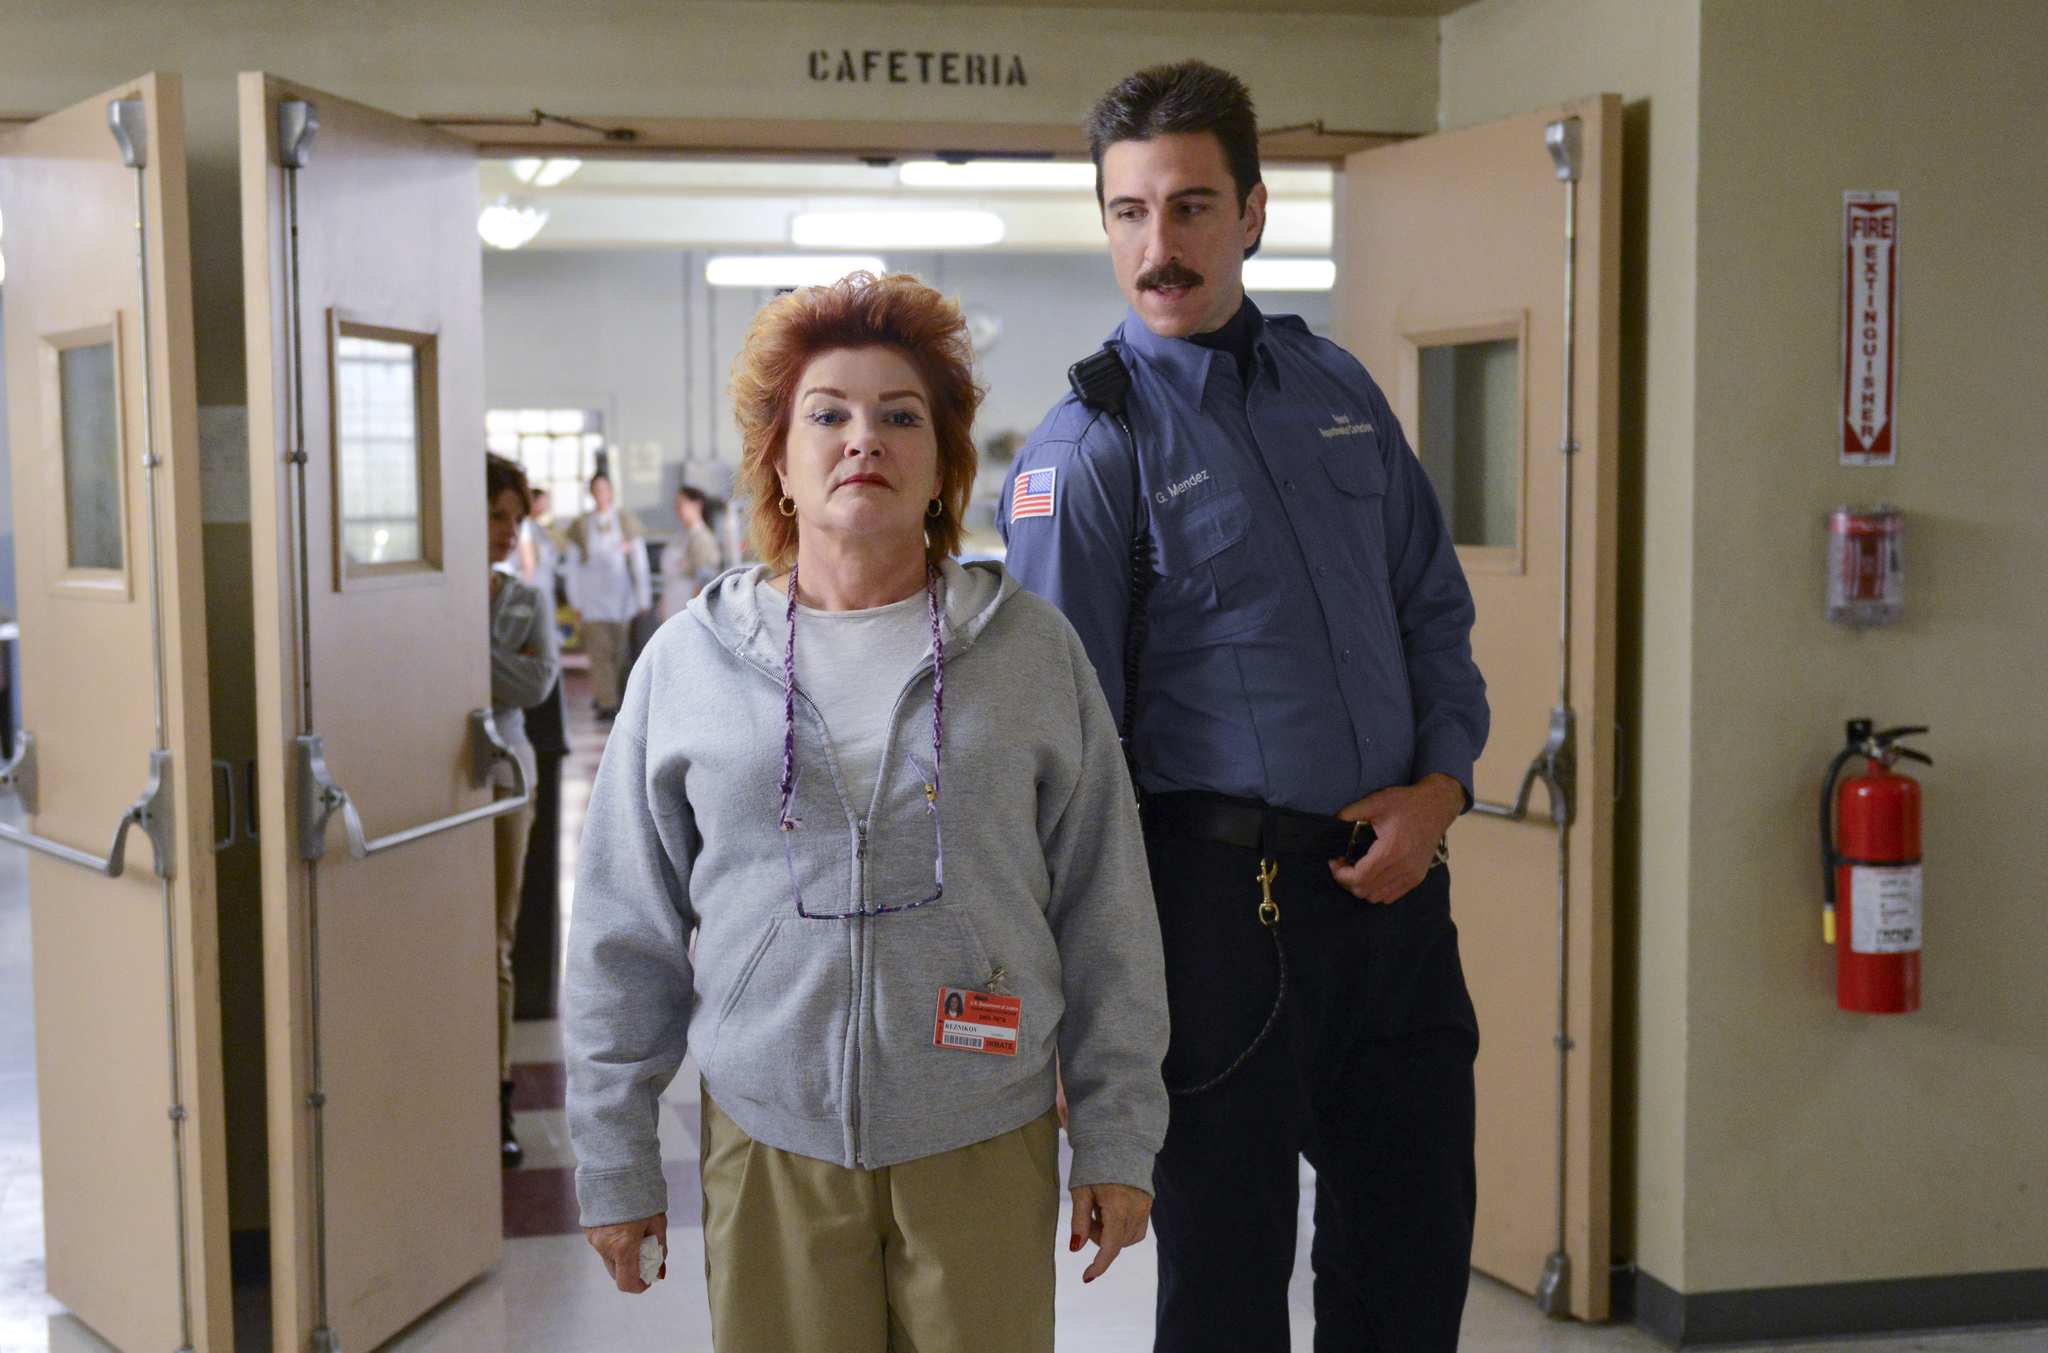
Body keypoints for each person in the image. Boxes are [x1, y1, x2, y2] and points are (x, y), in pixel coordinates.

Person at [565, 272, 1168, 1353]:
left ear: (941, 466)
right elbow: (622, 932)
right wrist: (612, 1158)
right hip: (767, 1138)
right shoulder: (688, 664)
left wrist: (1117, 1136)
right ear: (780, 462)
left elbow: (1105, 908)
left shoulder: (1031, 654)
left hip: (984, 1131)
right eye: (827, 415)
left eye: (900, 417)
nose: (863, 440)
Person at [999, 62, 1490, 1353]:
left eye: (1193, 206)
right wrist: (1075, 1011)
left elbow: (1433, 611)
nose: (1159, 247)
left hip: (1396, 901)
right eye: (1129, 212)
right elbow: (1065, 750)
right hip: (1216, 922)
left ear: (1256, 210)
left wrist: (1442, 790)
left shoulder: (1338, 395)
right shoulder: (1085, 451)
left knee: (1412, 1249)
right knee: (1225, 1285)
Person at [486, 453, 562, 1169]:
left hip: (507, 773)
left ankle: (495, 1094)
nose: (509, 532)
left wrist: (457, 652)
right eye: (495, 517)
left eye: (517, 519)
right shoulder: (423, 596)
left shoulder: (524, 600)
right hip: (433, 778)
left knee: (494, 940)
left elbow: (532, 684)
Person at [563, 471, 650, 719]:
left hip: (622, 598)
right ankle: (606, 700)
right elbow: (572, 566)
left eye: (605, 489)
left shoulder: (625, 520)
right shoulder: (580, 526)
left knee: (622, 653)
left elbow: (638, 562)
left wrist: (642, 597)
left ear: (611, 492)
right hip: (592, 600)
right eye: (596, 490)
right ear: (591, 493)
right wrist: (575, 600)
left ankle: (624, 699)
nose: (601, 495)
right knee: (599, 653)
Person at [658, 483, 725, 622]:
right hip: (672, 600)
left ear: (697, 505)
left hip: (688, 603)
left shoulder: (703, 538)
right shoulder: (679, 536)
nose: (678, 509)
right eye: (676, 505)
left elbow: (704, 577)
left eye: (682, 504)